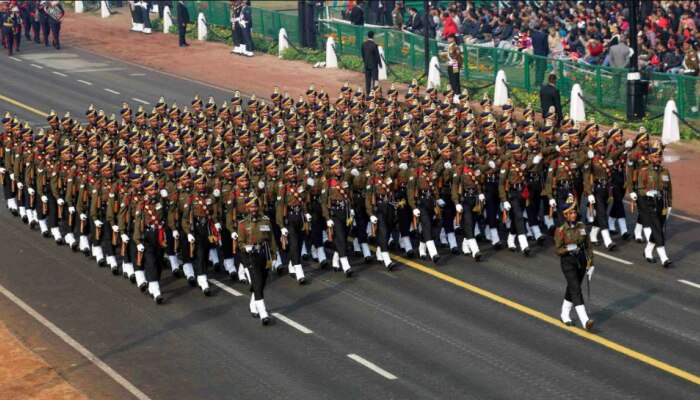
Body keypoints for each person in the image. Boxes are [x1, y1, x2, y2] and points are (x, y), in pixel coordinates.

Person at [554, 194, 595, 332]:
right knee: (576, 289)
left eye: (574, 212)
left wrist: (591, 262)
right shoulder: (561, 231)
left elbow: (588, 245)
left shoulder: (581, 226)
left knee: (572, 288)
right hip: (568, 262)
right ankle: (585, 320)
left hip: (581, 261)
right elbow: (558, 250)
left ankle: (564, 314)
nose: (573, 215)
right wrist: (567, 248)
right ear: (565, 215)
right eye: (570, 213)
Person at [237, 193, 276, 325]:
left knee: (262, 282)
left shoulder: (265, 220)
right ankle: (263, 313)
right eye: (251, 207)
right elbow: (240, 243)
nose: (254, 209)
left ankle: (253, 305)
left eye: (256, 206)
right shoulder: (242, 224)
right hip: (250, 256)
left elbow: (271, 240)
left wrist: (274, 256)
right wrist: (246, 248)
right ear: (247, 208)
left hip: (264, 254)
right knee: (257, 282)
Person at [633, 139, 673, 268]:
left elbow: (669, 189)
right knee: (657, 229)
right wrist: (647, 193)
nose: (657, 158)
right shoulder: (644, 172)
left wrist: (670, 204)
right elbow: (639, 189)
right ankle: (664, 257)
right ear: (649, 157)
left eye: (659, 156)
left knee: (658, 228)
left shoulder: (665, 171)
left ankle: (648, 250)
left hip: (662, 203)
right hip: (650, 204)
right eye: (655, 156)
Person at [361, 30, 382, 95]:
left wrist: (365, 61)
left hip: (366, 64)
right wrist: (380, 63)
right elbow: (377, 55)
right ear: (373, 36)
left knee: (368, 80)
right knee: (375, 80)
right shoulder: (374, 45)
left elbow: (363, 54)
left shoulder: (364, 44)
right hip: (374, 65)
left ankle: (368, 93)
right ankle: (375, 93)